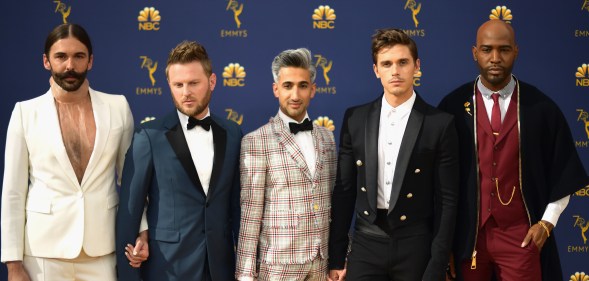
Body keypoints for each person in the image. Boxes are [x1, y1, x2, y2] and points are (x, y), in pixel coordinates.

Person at [438, 19, 589, 281]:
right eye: (486, 50)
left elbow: (564, 172)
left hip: (521, 236)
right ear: (475, 53)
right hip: (468, 237)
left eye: (504, 49)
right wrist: (443, 244)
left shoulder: (541, 108)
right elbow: (437, 182)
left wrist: (546, 223)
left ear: (516, 52)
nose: (495, 57)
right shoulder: (451, 107)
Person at [0, 23, 134, 280]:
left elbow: (130, 182)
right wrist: (13, 264)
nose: (70, 65)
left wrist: (141, 231)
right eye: (61, 56)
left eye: (78, 56)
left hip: (103, 250)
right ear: (46, 61)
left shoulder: (118, 107)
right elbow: (13, 192)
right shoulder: (25, 113)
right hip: (43, 254)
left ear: (90, 61)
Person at [328, 28, 459, 281]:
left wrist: (438, 262)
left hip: (416, 246)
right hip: (366, 244)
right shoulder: (355, 119)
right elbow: (344, 191)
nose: (395, 71)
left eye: (403, 62)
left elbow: (448, 201)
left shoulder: (439, 124)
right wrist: (336, 257)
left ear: (416, 66)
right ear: (376, 70)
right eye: (386, 64)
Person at [115, 40, 242, 281]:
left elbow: (237, 207)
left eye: (194, 83)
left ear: (212, 81)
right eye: (178, 84)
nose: (186, 92)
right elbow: (130, 212)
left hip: (220, 268)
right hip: (167, 269)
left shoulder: (233, 134)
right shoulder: (149, 136)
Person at [235, 48, 337, 281]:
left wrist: (338, 257)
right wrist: (245, 274)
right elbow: (250, 215)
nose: (295, 94)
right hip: (277, 268)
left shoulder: (327, 138)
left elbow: (332, 202)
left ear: (313, 90)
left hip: (321, 265)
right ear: (276, 89)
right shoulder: (256, 141)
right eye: (288, 85)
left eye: (302, 86)